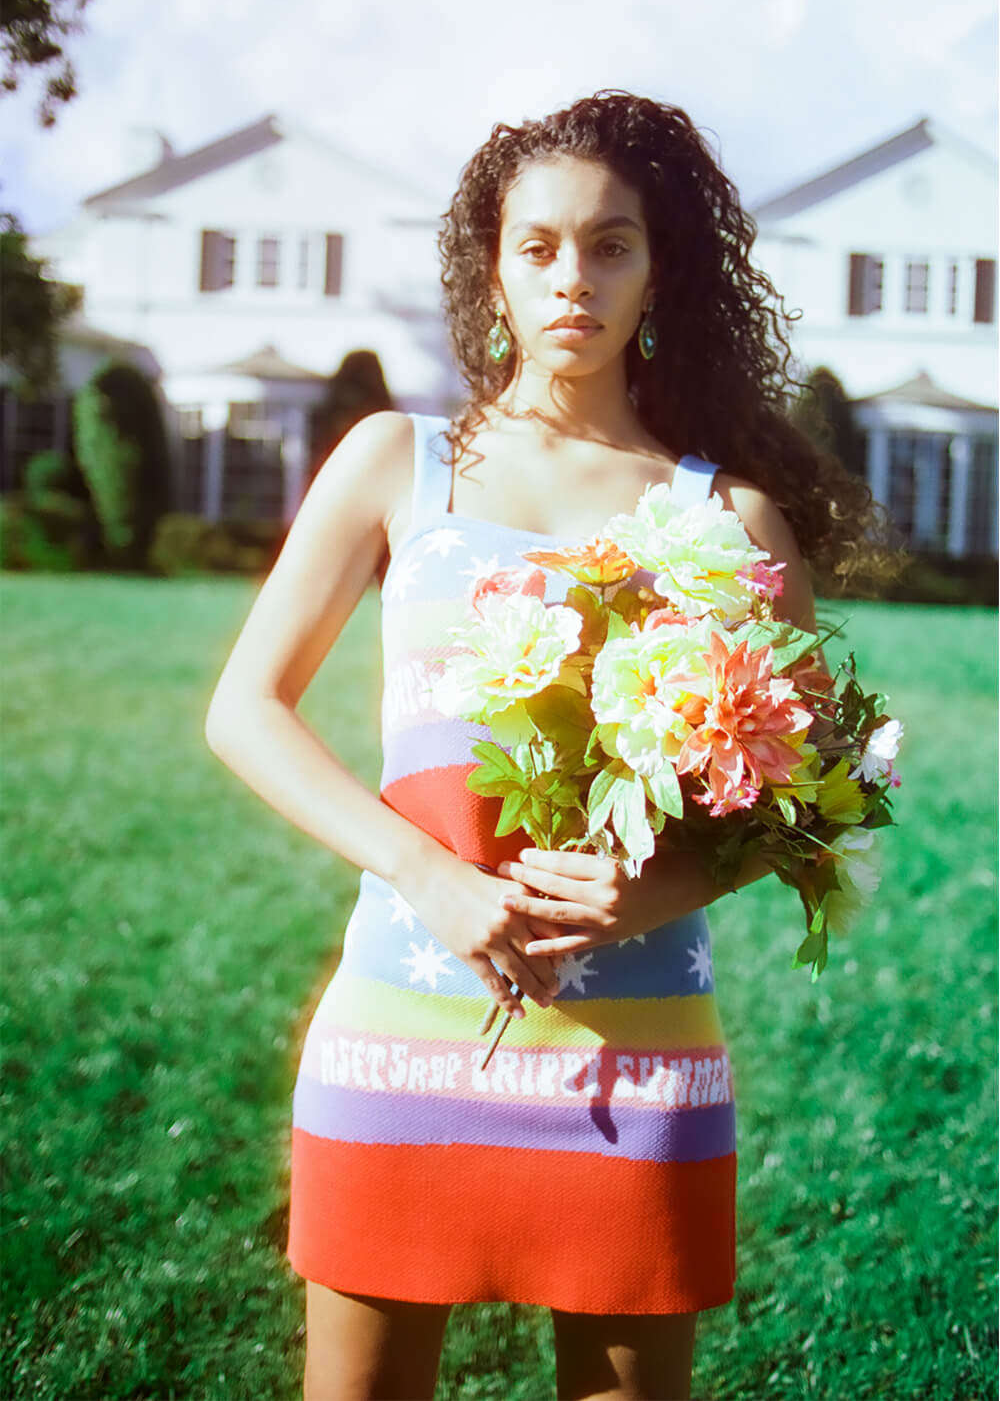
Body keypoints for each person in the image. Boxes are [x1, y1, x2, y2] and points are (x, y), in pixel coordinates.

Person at [204, 91, 888, 1401]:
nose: (573, 277)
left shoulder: (725, 515)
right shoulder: (399, 464)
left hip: (638, 1066)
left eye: (612, 244)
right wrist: (428, 873)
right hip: (396, 1045)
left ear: (659, 267)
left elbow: (827, 791)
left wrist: (667, 886)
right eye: (539, 245)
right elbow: (247, 709)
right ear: (492, 266)